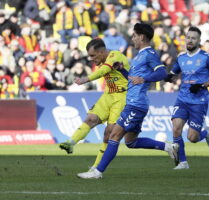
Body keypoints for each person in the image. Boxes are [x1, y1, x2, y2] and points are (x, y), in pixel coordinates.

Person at [77, 23, 179, 179]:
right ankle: (168, 147)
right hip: (133, 102)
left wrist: (144, 78)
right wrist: (122, 70)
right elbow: (132, 79)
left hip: (136, 103)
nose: (132, 39)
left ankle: (97, 172)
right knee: (131, 142)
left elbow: (161, 72)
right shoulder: (139, 56)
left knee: (114, 136)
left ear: (142, 37)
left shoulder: (149, 54)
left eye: (134, 36)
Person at [59, 38, 130, 171]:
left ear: (102, 52)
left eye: (93, 55)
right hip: (108, 95)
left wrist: (85, 79)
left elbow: (103, 71)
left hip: (121, 97)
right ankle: (70, 143)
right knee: (91, 118)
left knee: (108, 134)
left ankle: (96, 166)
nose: (91, 59)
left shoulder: (115, 56)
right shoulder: (103, 59)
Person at [163, 26, 209, 170]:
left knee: (193, 138)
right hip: (182, 99)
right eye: (188, 37)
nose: (190, 40)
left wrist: (202, 85)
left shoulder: (207, 58)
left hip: (199, 101)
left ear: (198, 40)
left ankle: (206, 132)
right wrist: (170, 76)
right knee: (176, 129)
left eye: (193, 38)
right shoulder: (181, 57)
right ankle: (183, 162)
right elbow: (175, 71)